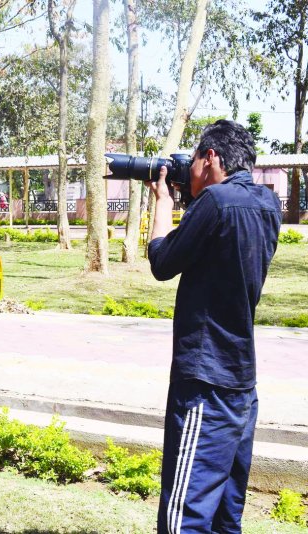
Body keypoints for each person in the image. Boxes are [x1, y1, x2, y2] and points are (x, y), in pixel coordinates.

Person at [146, 119, 281, 533]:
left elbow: (162, 263)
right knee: (226, 515)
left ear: (211, 157)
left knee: (183, 516)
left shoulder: (217, 202)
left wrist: (162, 207)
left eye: (193, 161)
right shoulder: (267, 205)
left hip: (205, 383)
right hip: (242, 385)